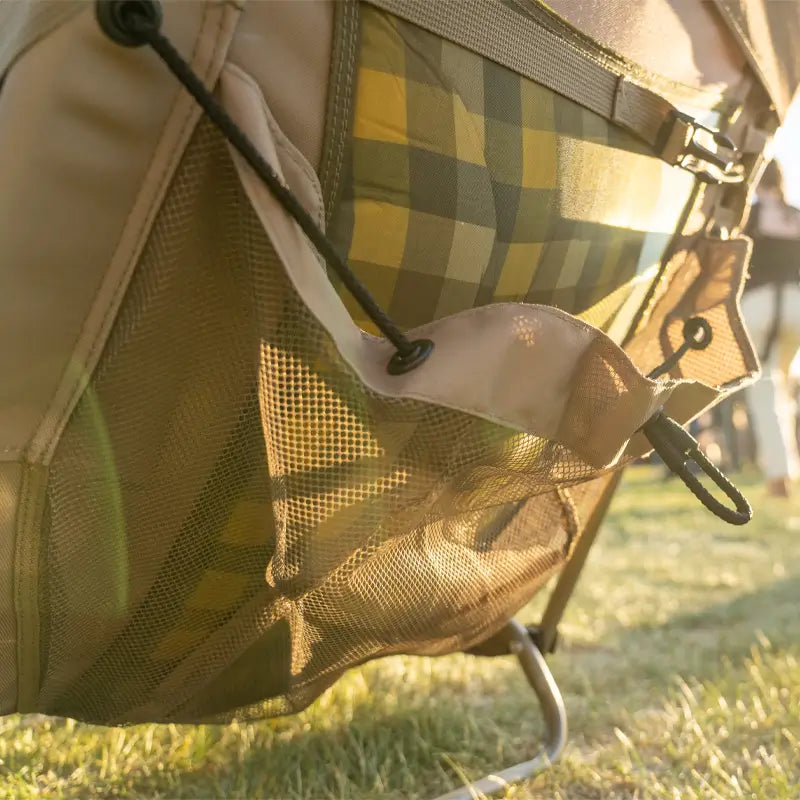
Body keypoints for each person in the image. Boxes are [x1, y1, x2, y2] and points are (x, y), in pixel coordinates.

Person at [742, 161, 800, 497]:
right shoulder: (795, 215)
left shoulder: (750, 216)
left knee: (764, 389)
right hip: (796, 304)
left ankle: (779, 477)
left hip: (760, 304)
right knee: (785, 388)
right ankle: (788, 467)